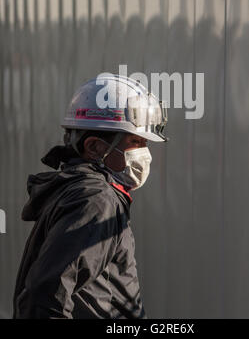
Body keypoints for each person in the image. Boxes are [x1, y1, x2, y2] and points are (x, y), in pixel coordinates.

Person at [13, 74, 168, 319]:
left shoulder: (82, 191)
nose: (144, 153)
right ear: (95, 147)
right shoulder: (96, 201)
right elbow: (44, 297)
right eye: (135, 142)